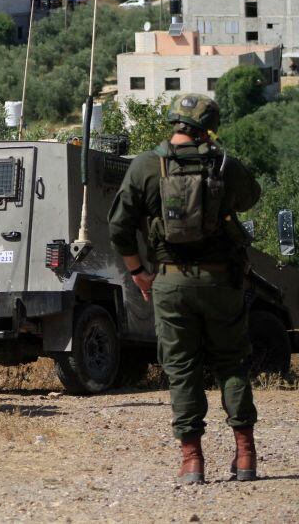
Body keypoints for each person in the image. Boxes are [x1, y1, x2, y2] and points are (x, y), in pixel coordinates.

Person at [108, 94, 261, 484]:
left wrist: (140, 272)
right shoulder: (224, 164)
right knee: (231, 362)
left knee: (181, 369)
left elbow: (119, 227)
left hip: (170, 281)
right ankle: (245, 456)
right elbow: (252, 197)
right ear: (209, 126)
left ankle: (192, 461)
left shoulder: (146, 165)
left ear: (174, 122)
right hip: (220, 280)